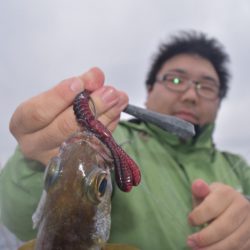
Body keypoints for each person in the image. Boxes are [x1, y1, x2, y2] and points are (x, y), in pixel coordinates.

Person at [1, 31, 250, 250]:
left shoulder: (237, 166)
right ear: (150, 90)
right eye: (175, 80)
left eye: (206, 86)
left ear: (219, 102)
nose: (190, 95)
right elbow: (15, 214)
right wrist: (34, 163)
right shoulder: (109, 141)